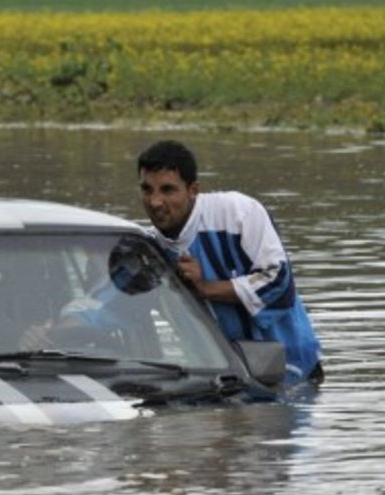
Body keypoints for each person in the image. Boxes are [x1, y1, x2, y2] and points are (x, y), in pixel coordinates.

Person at [137, 140, 323, 386]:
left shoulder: (238, 213)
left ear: (193, 190)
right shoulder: (148, 247)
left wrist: (206, 288)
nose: (155, 202)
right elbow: (112, 300)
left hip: (290, 371)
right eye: (147, 190)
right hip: (221, 380)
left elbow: (279, 282)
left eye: (168, 190)